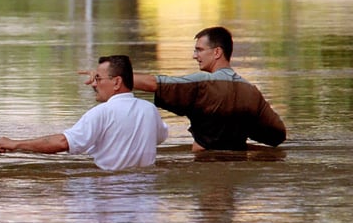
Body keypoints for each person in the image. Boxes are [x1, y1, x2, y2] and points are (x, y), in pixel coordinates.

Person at [116, 26, 286, 151]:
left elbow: (154, 84)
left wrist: (113, 78)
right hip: (236, 169)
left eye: (199, 50)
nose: (195, 56)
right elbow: (277, 135)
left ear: (217, 52)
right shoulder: (251, 92)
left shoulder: (203, 83)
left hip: (203, 164)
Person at [0, 55, 168, 170]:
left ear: (116, 82)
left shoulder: (102, 112)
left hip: (109, 191)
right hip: (145, 194)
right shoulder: (149, 110)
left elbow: (63, 142)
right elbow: (160, 137)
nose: (93, 84)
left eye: (98, 78)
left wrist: (15, 144)